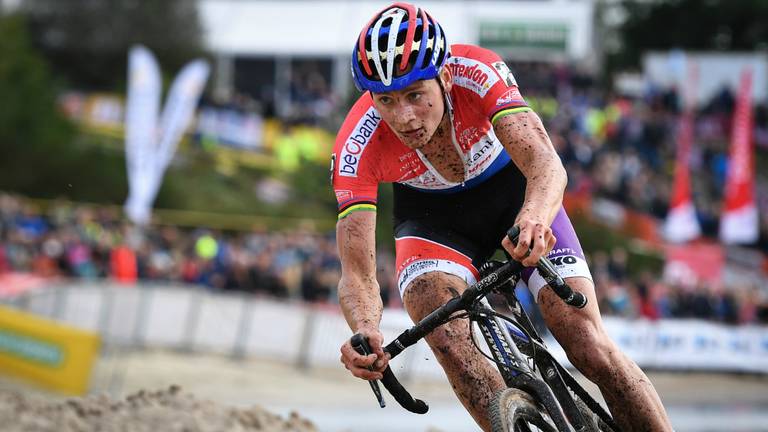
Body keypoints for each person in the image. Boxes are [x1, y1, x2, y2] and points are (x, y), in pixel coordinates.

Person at [333, 3, 673, 431]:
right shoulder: (357, 144)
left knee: (586, 343)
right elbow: (357, 270)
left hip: (516, 199)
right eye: (386, 101)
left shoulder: (479, 73)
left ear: (445, 77)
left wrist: (534, 218)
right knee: (443, 333)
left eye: (415, 95)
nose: (404, 117)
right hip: (434, 222)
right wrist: (365, 329)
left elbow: (547, 166)